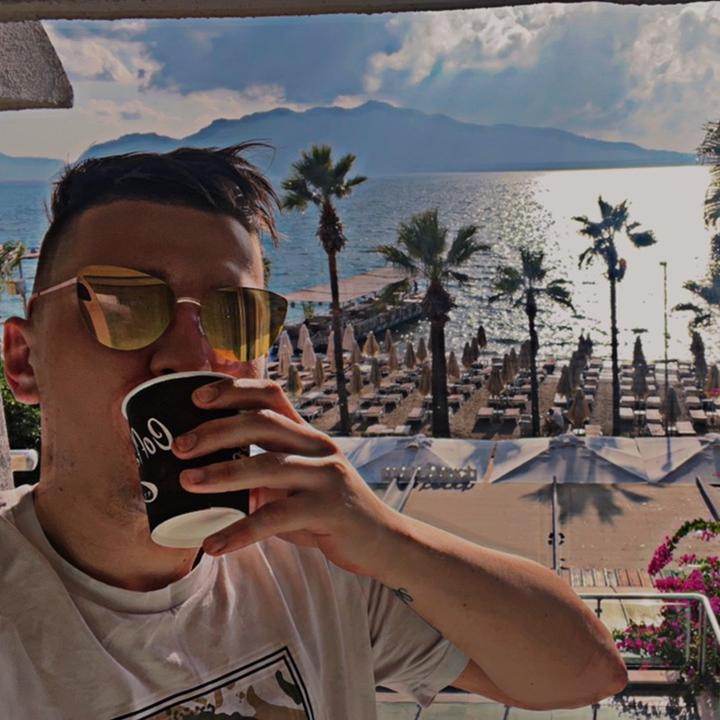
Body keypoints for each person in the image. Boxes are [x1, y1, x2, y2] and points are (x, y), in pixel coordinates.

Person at [0, 145, 627, 718]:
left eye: (236, 316)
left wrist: (385, 537)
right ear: (25, 360)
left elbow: (584, 674)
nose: (191, 357)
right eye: (124, 306)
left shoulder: (314, 558)